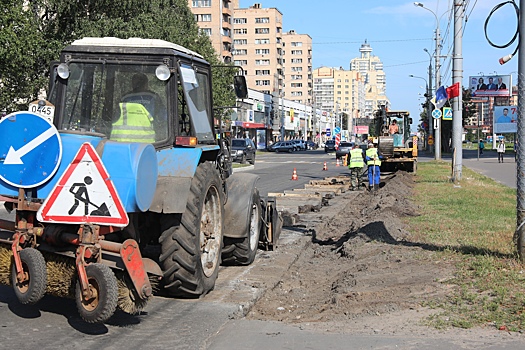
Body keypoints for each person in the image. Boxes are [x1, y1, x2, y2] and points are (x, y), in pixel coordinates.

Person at [111, 73, 166, 143]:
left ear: (132, 84)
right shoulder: (153, 97)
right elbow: (163, 117)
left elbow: (115, 117)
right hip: (147, 140)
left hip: (123, 139)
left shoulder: (124, 98)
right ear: (146, 84)